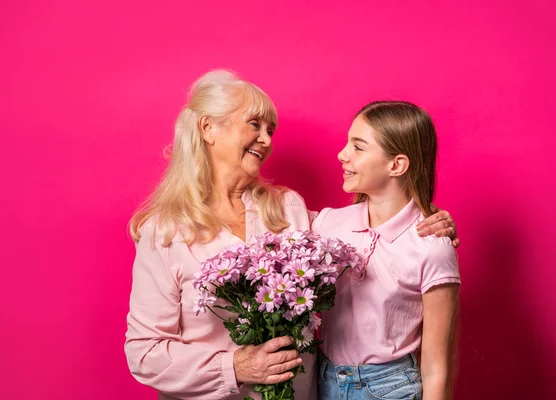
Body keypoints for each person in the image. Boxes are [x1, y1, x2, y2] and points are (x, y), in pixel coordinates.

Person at [124, 71, 457, 399]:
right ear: (208, 128)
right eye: (254, 125)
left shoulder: (288, 208)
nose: (267, 140)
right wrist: (234, 367)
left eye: (271, 130)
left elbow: (376, 229)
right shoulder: (164, 232)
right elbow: (144, 354)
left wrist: (430, 223)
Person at [314, 101, 461, 400]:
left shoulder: (432, 245)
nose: (342, 154)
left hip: (391, 388)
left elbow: (436, 366)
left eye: (358, 147)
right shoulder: (327, 223)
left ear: (396, 165)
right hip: (323, 381)